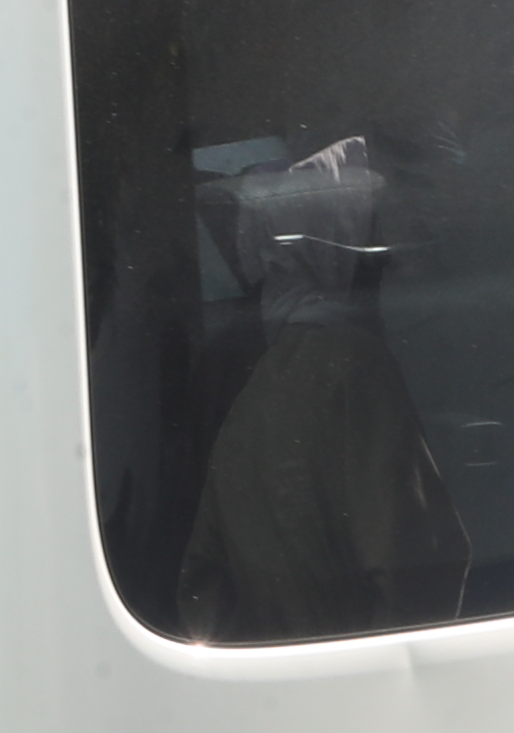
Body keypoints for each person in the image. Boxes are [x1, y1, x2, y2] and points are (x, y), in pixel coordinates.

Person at [175, 135, 470, 642]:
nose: (382, 271)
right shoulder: (353, 367)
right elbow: (418, 573)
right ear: (336, 259)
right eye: (369, 253)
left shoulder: (255, 395)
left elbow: (204, 592)